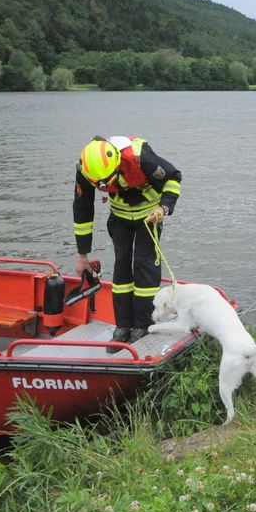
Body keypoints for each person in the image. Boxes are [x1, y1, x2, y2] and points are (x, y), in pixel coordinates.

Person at [73, 135, 181, 352]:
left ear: (117, 163)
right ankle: (122, 327)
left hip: (149, 216)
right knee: (121, 267)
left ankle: (142, 326)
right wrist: (83, 254)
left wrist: (163, 209)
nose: (106, 186)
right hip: (120, 217)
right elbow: (82, 208)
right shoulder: (87, 169)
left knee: (144, 265)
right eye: (101, 184)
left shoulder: (141, 156)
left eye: (109, 180)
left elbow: (173, 177)